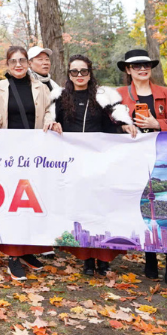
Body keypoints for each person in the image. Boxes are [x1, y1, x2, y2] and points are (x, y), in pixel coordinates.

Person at [53, 54, 136, 276]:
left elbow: (118, 112)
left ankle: (104, 257)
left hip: (100, 161)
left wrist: (126, 124)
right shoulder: (60, 97)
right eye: (74, 72)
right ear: (69, 74)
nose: (79, 76)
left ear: (90, 72)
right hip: (72, 162)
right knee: (81, 209)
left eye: (84, 71)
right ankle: (87, 258)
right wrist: (50, 124)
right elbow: (51, 119)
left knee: (101, 208)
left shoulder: (103, 95)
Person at [117, 48, 167, 286]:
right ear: (128, 70)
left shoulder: (165, 94)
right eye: (136, 66)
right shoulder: (119, 95)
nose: (142, 69)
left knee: (166, 206)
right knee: (144, 207)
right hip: (132, 160)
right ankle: (149, 256)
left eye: (146, 65)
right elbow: (107, 123)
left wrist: (157, 123)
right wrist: (122, 127)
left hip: (163, 158)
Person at [0, 46, 60, 280]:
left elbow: (49, 111)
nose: (17, 65)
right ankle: (12, 256)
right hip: (10, 154)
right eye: (13, 61)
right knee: (13, 202)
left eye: (22, 60)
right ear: (7, 65)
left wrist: (50, 122)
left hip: (36, 152)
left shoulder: (41, 87)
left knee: (32, 201)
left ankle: (28, 250)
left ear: (28, 63)